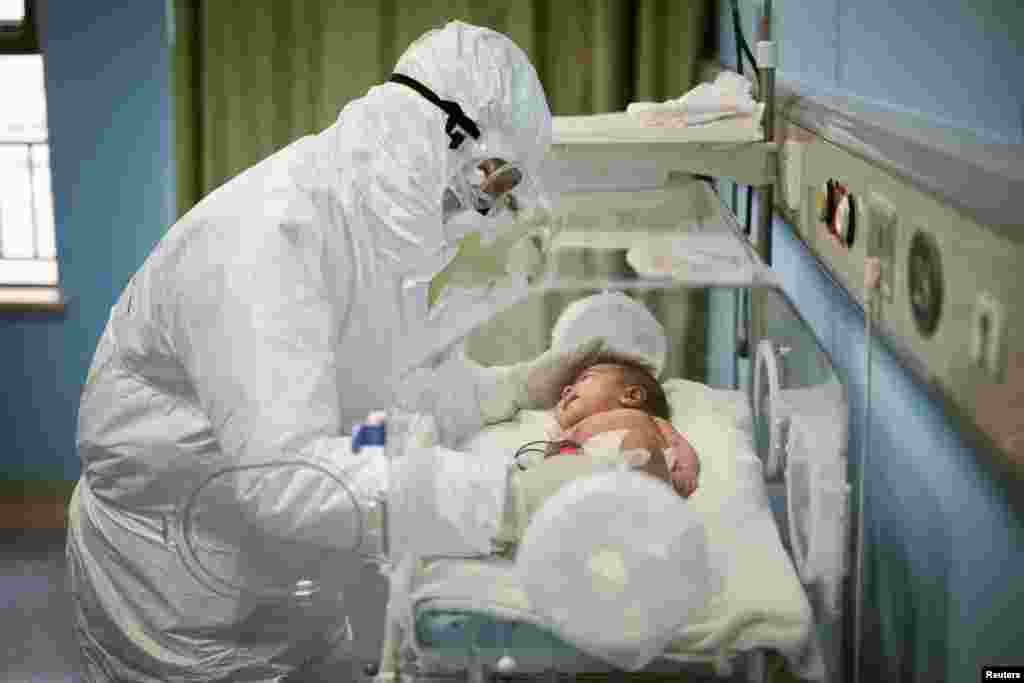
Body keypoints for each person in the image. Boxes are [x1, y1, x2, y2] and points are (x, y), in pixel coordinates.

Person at [66, 21, 603, 683]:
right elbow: (287, 479)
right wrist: (502, 501)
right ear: (447, 134)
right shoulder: (263, 242)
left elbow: (382, 397)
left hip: (285, 579)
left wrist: (514, 389)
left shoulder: (379, 237)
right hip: (176, 595)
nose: (482, 204)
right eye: (489, 180)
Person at [492, 352, 701, 552]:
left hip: (640, 468)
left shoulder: (646, 421)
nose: (567, 389)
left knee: (638, 442)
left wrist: (686, 471)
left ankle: (648, 511)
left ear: (632, 395)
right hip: (590, 479)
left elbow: (680, 446)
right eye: (569, 386)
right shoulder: (567, 432)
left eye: (585, 379)